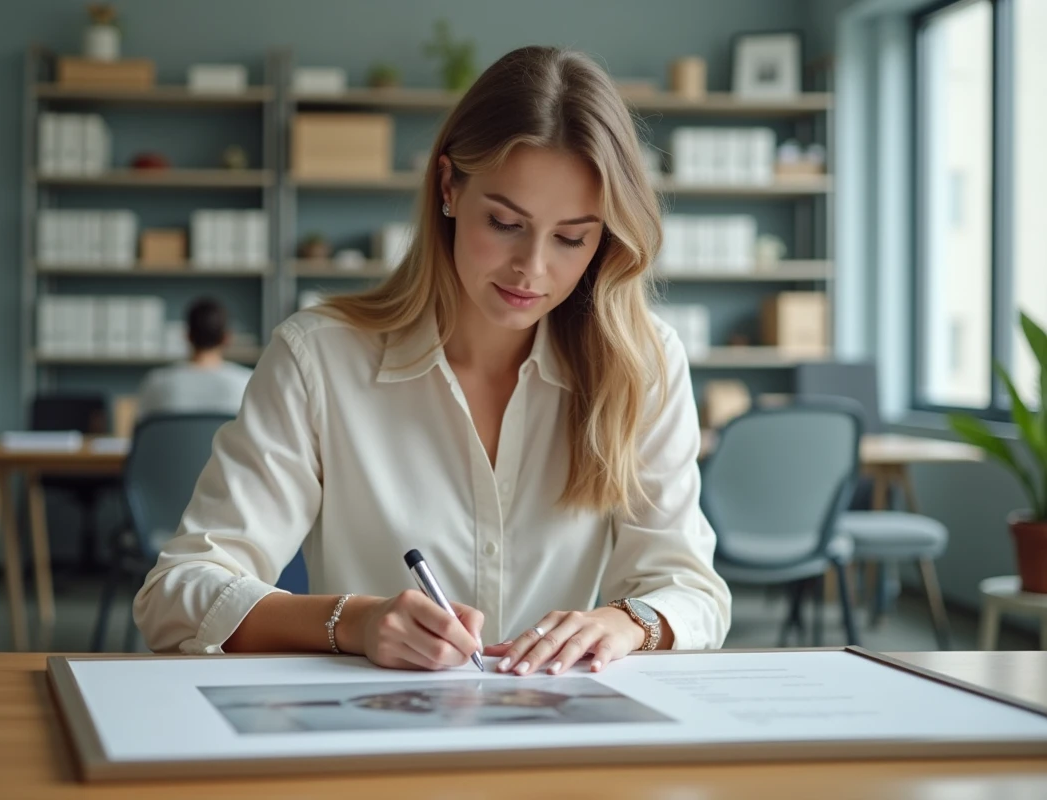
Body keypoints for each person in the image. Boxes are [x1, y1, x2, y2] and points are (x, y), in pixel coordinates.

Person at [135, 46, 731, 676]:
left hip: (561, 749)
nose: (532, 268)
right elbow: (175, 596)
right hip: (379, 745)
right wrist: (354, 623)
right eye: (505, 223)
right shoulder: (319, 360)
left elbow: (695, 595)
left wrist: (620, 623)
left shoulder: (643, 363)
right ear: (449, 186)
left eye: (571, 237)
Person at [135, 296, 253, 419]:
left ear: (187, 335)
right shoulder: (247, 383)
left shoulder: (155, 382)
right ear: (227, 338)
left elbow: (142, 434)